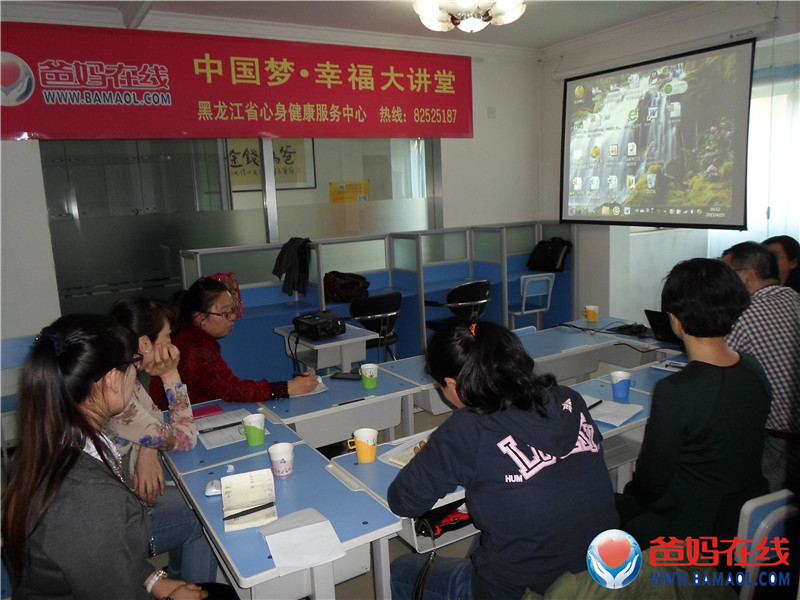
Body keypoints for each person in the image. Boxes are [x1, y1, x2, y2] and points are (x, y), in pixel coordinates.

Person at [387, 320, 618, 600]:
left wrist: (432, 459)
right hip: (603, 578)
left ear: (453, 384)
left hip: (527, 592)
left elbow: (403, 501)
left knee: (400, 571)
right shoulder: (570, 399)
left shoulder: (466, 427)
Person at [0, 314, 212, 599]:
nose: (136, 373)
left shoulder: (51, 437)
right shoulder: (89, 497)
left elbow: (103, 554)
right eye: (133, 365)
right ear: (112, 379)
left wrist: (154, 581)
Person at [618, 258, 771, 547]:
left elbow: (651, 484)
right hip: (742, 518)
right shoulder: (753, 368)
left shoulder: (675, 391)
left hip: (690, 528)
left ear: (675, 319)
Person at [108, 296, 218, 585]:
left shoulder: (119, 372)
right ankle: (188, 589)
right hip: (113, 520)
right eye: (168, 336)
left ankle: (179, 582)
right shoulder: (117, 393)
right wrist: (170, 375)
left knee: (193, 498)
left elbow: (153, 420)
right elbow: (184, 438)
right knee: (203, 513)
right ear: (145, 343)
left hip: (121, 494)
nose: (172, 343)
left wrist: (149, 448)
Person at [149, 277, 319, 410]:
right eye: (225, 313)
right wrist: (288, 388)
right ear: (200, 317)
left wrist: (288, 387)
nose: (232, 317)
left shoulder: (189, 333)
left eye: (232, 311)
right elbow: (233, 390)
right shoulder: (197, 346)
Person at [721, 242, 800, 494]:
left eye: (728, 274)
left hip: (779, 435)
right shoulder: (793, 296)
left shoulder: (744, 314)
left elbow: (715, 364)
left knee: (769, 501)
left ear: (748, 276)